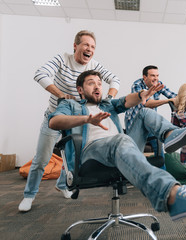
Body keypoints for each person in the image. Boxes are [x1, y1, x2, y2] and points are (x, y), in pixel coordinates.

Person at [47, 70, 186, 221]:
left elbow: (126, 101)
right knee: (120, 139)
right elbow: (54, 121)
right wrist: (87, 119)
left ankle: (171, 134)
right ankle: (172, 196)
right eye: (91, 83)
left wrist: (143, 94)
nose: (97, 87)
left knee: (143, 112)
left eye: (99, 83)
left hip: (119, 147)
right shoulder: (70, 104)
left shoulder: (107, 104)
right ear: (80, 89)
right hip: (90, 153)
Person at [19, 30, 121, 212]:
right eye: (86, 45)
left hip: (79, 119)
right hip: (56, 117)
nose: (89, 49)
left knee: (75, 156)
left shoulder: (94, 65)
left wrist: (109, 99)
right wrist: (62, 96)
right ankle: (29, 196)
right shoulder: (62, 59)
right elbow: (40, 74)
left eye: (93, 47)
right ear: (76, 46)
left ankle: (63, 184)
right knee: (42, 159)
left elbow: (115, 79)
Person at [125, 65, 177, 159]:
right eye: (153, 75)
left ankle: (162, 172)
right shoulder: (137, 85)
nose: (156, 78)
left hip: (149, 124)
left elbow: (173, 96)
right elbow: (146, 104)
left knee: (160, 149)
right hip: (135, 125)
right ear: (145, 77)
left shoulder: (158, 84)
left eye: (157, 75)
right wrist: (167, 101)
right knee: (135, 155)